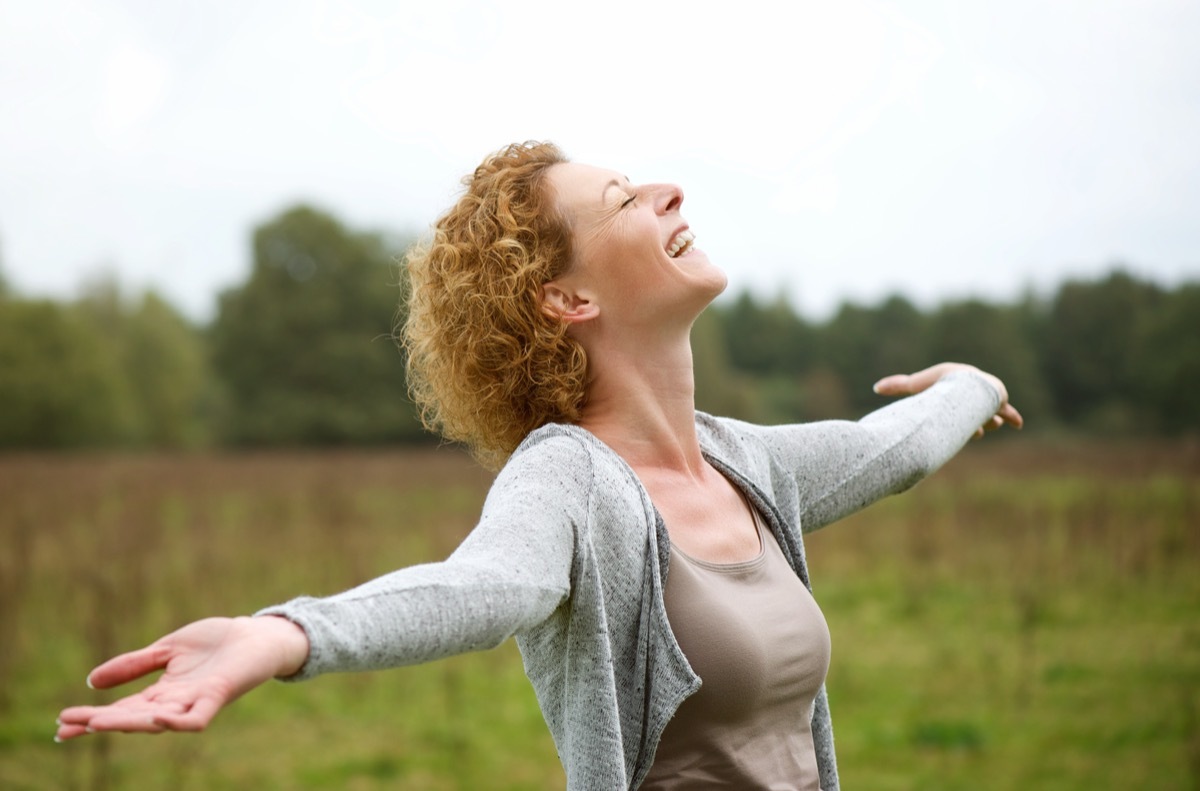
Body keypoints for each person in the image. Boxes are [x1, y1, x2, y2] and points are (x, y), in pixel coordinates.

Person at [55, 141, 1022, 790]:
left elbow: (889, 447)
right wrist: (281, 635)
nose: (667, 191)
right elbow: (484, 584)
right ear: (566, 298)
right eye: (624, 203)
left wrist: (971, 383)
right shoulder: (569, 480)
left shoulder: (744, 461)